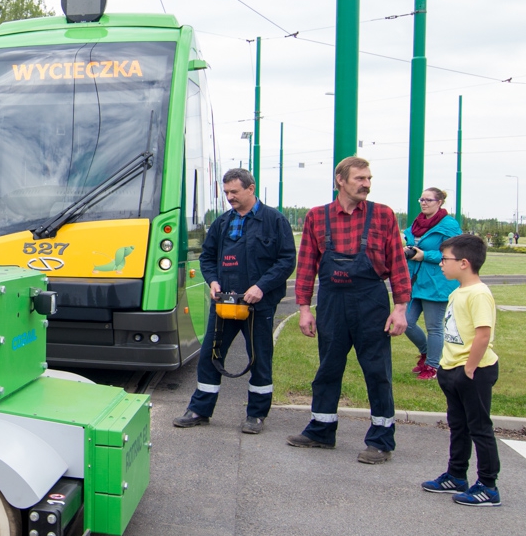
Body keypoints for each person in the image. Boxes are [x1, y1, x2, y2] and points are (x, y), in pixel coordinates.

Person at [287, 157, 410, 464]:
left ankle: (381, 440)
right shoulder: (317, 216)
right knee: (328, 368)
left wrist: (400, 309)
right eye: (360, 179)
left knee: (377, 371)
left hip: (371, 301)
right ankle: (321, 430)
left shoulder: (383, 215)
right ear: (340, 180)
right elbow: (306, 266)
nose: (366, 184)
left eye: (369, 179)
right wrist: (304, 309)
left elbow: (398, 262)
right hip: (332, 302)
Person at [172, 170, 296, 434]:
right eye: (226, 192)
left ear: (251, 189)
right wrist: (212, 281)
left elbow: (286, 260)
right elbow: (207, 257)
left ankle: (256, 415)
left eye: (234, 192)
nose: (229, 197)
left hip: (258, 305)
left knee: (260, 359)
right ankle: (199, 409)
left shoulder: (274, 221)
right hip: (225, 303)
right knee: (210, 356)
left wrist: (261, 287)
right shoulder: (222, 223)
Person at [421, 234, 501, 506]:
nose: (441, 263)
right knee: (458, 426)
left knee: (480, 428)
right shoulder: (457, 291)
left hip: (474, 371)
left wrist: (469, 368)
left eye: (445, 259)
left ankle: (488, 486)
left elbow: (483, 334)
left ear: (464, 263)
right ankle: (456, 475)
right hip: (452, 369)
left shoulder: (479, 293)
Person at [403, 187, 462, 381]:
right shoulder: (417, 223)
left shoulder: (449, 225)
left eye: (428, 200)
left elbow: (454, 254)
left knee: (434, 327)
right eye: (422, 199)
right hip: (416, 281)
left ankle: (433, 366)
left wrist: (425, 255)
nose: (424, 203)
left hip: (437, 282)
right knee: (406, 322)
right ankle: (426, 353)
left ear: (439, 202)